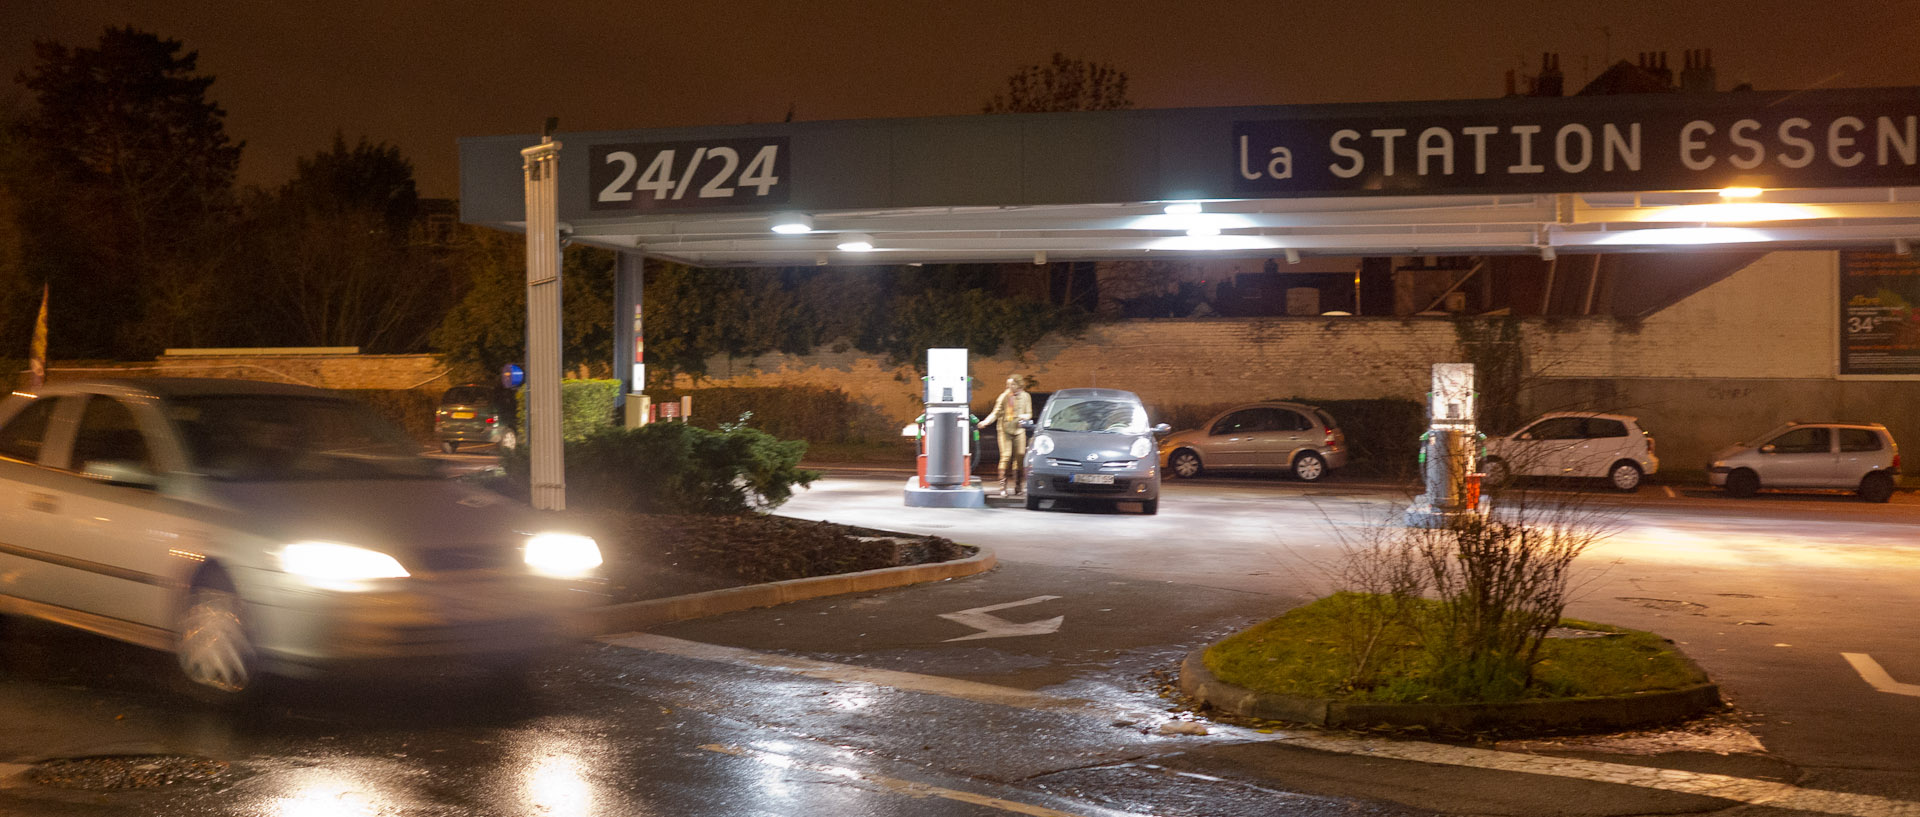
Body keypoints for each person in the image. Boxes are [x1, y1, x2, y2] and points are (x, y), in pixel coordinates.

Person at [977, 374, 1033, 497]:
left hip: (1019, 430)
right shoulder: (1004, 397)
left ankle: (1018, 486)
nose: (1009, 387)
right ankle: (1003, 487)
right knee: (1006, 456)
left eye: (1012, 384)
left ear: (1019, 385)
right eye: (1008, 384)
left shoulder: (1026, 396)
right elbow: (995, 413)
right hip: (1005, 430)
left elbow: (1029, 413)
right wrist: (986, 422)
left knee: (1019, 456)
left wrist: (1025, 416)